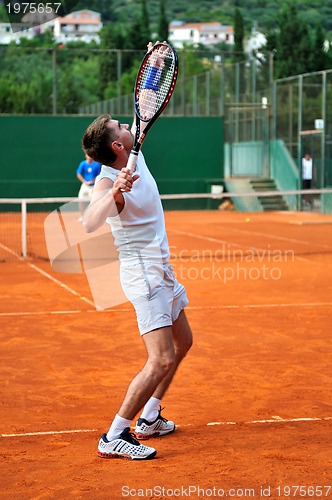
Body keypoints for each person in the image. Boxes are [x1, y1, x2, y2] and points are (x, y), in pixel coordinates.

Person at [81, 41, 193, 460]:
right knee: (161, 358)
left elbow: (146, 98)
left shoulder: (134, 147)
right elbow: (90, 222)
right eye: (119, 126)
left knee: (183, 344)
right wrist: (114, 194)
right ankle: (114, 435)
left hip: (161, 271)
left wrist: (157, 60)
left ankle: (150, 416)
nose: (127, 125)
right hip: (143, 275)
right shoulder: (108, 181)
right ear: (116, 146)